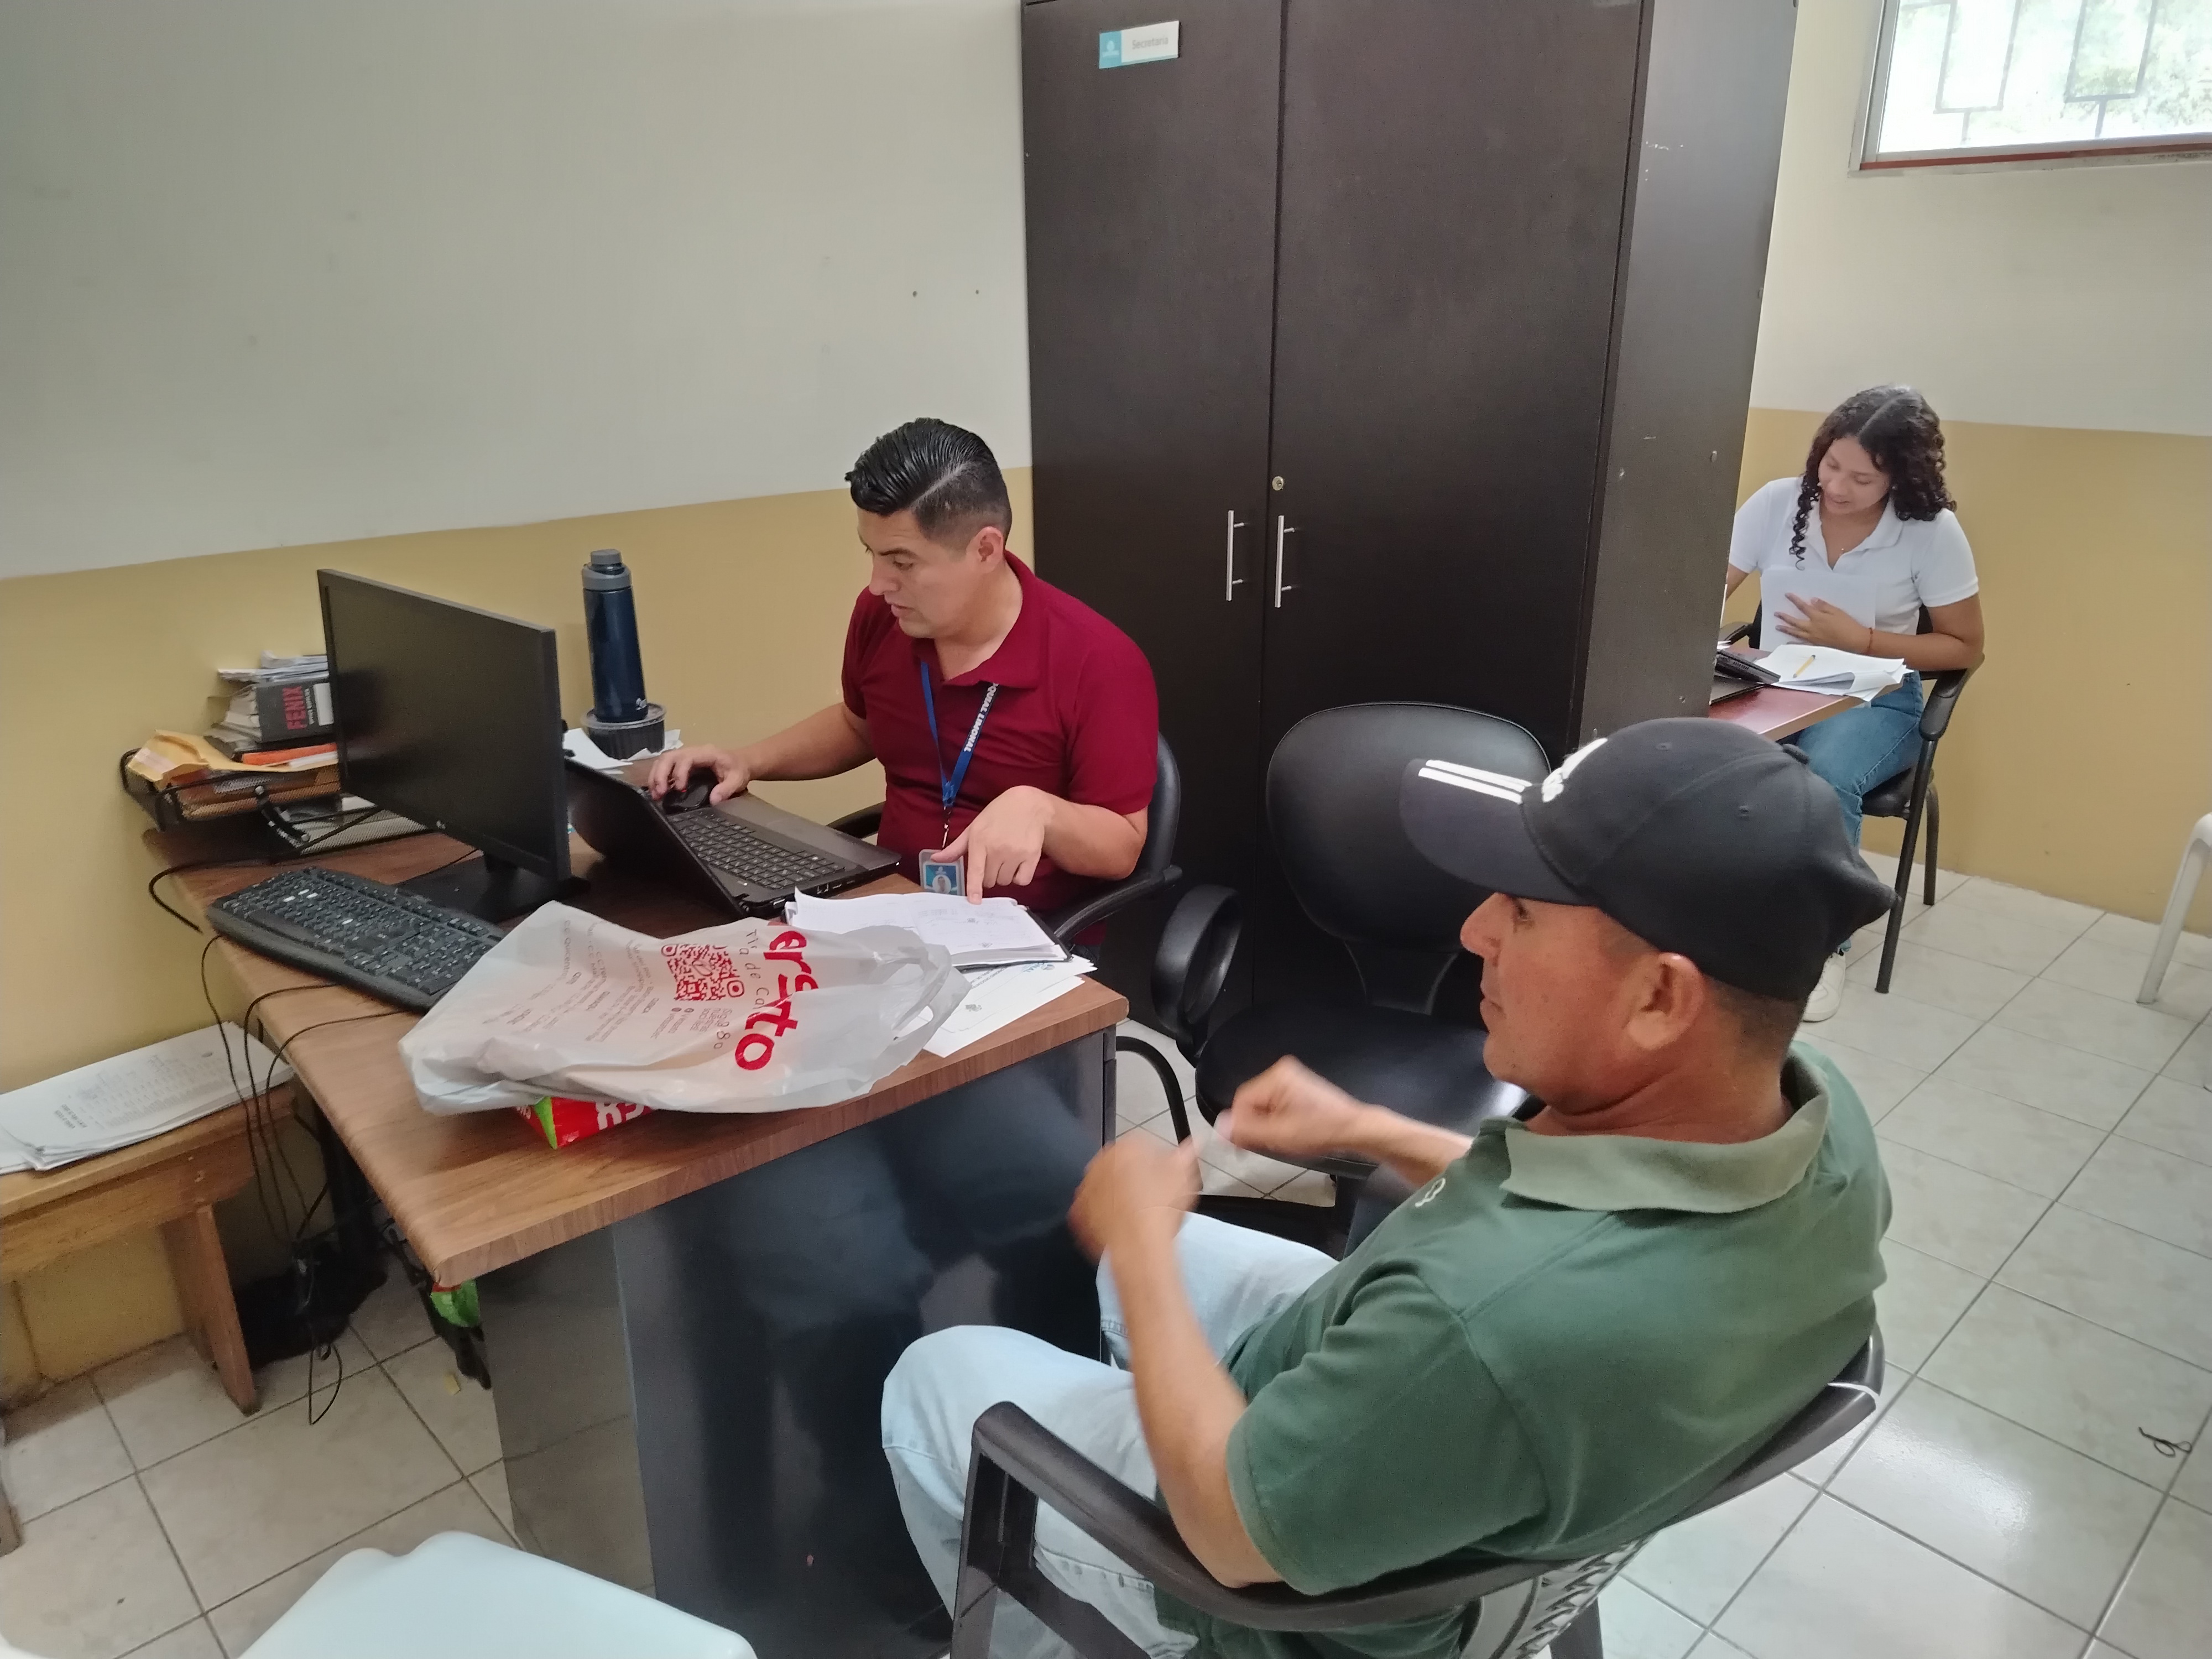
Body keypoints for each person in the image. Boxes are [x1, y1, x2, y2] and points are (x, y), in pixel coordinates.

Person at [882, 718, 1895, 1659]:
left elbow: (1233, 1534)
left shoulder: (1490, 1327)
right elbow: (1571, 1210)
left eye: (1523, 914)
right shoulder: (1814, 1119)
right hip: (1422, 1420)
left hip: (1278, 1576)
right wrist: (1369, 1130)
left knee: (941, 1377)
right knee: (1127, 1261)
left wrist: (1142, 1248)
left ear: (1661, 997)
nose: (1476, 931)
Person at [649, 417, 1159, 909]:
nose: (877, 584)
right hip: (890, 907)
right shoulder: (884, 616)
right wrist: (748, 761)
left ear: (985, 550)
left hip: (1024, 933)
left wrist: (1043, 811)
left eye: (902, 562)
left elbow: (1122, 848)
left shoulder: (1098, 660)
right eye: (871, 554)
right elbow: (859, 725)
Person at [1725, 385, 1985, 1021]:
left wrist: (1863, 641)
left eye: (1861, 479)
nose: (1836, 487)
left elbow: (1964, 647)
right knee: (1711, 757)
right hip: (1774, 684)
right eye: (1831, 465)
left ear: (1901, 477)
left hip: (1875, 697)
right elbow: (1706, 587)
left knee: (1823, 778)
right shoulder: (1777, 503)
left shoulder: (1930, 532)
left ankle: (1824, 948)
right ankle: (1724, 918)